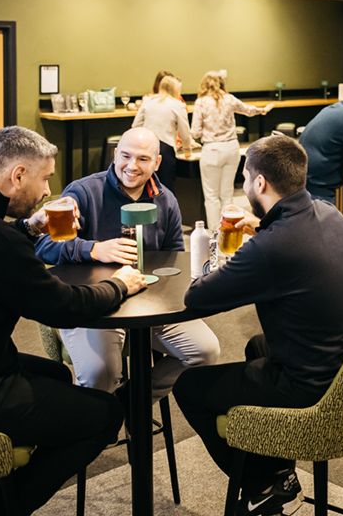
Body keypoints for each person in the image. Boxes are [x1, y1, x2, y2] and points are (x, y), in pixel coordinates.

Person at [0, 126, 146, 516]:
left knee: (56, 376)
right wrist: (119, 285)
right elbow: (63, 307)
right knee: (104, 414)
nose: (46, 192)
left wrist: (29, 227)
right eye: (44, 179)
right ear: (18, 175)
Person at [173, 135, 343, 516]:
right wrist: (260, 227)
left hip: (316, 391)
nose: (246, 184)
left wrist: (238, 245)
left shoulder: (271, 246)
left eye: (246, 178)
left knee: (188, 387)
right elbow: (287, 247)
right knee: (257, 346)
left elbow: (197, 297)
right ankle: (279, 471)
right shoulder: (328, 212)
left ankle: (262, 484)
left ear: (260, 184)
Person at [35, 127, 220, 401]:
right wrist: (95, 249)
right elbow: (44, 246)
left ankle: (131, 402)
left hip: (149, 307)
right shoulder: (84, 192)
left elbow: (175, 258)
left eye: (143, 159)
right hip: (93, 306)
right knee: (102, 373)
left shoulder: (166, 200)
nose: (132, 166)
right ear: (114, 154)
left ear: (157, 162)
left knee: (207, 352)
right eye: (125, 156)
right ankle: (100, 424)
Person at [191, 70, 270, 228]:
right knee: (227, 194)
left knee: (211, 196)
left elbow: (196, 131)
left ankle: (215, 232)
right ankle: (228, 229)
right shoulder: (229, 99)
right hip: (231, 148)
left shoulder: (201, 102)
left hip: (212, 150)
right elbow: (248, 110)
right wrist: (262, 110)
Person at [132, 74, 197, 190]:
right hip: (165, 149)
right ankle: (165, 208)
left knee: (145, 185)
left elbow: (135, 126)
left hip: (146, 147)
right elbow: (184, 132)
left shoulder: (148, 101)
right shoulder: (177, 105)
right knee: (165, 187)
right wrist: (187, 150)